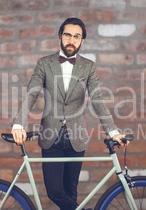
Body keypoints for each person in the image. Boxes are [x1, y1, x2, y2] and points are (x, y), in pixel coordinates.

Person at [11, 17, 127, 210]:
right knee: (55, 192)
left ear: (82, 41)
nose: (71, 40)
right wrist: (18, 124)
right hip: (51, 135)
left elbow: (97, 100)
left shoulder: (88, 66)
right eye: (67, 35)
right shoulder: (45, 64)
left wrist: (113, 132)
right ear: (60, 36)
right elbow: (31, 94)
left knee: (70, 193)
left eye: (76, 36)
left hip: (76, 136)